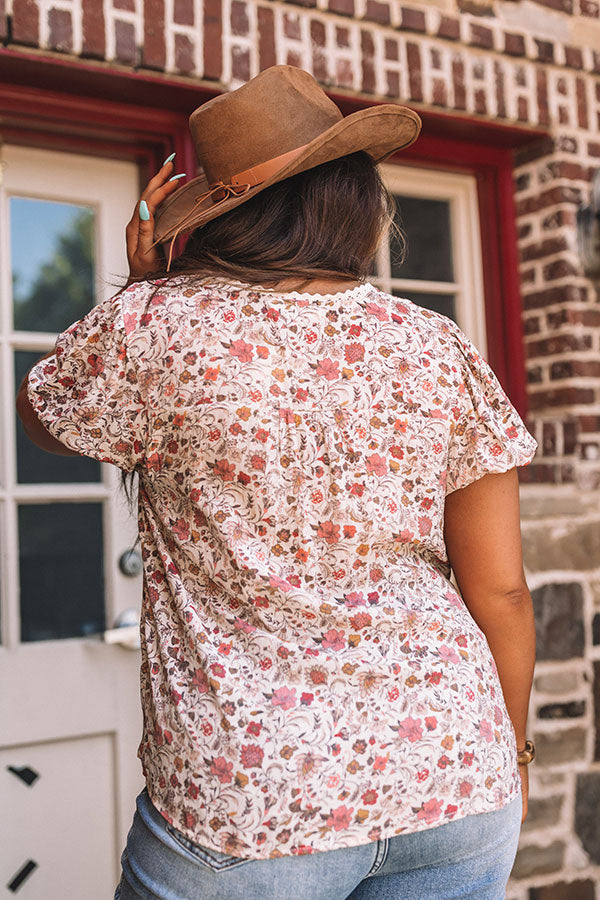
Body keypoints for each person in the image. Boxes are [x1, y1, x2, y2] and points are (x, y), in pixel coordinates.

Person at [17, 65, 537, 900]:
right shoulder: (437, 346)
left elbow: (45, 416)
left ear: (225, 213)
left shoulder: (158, 328)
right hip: (455, 776)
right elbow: (502, 593)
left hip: (253, 805)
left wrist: (144, 292)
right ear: (353, 200)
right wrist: (504, 758)